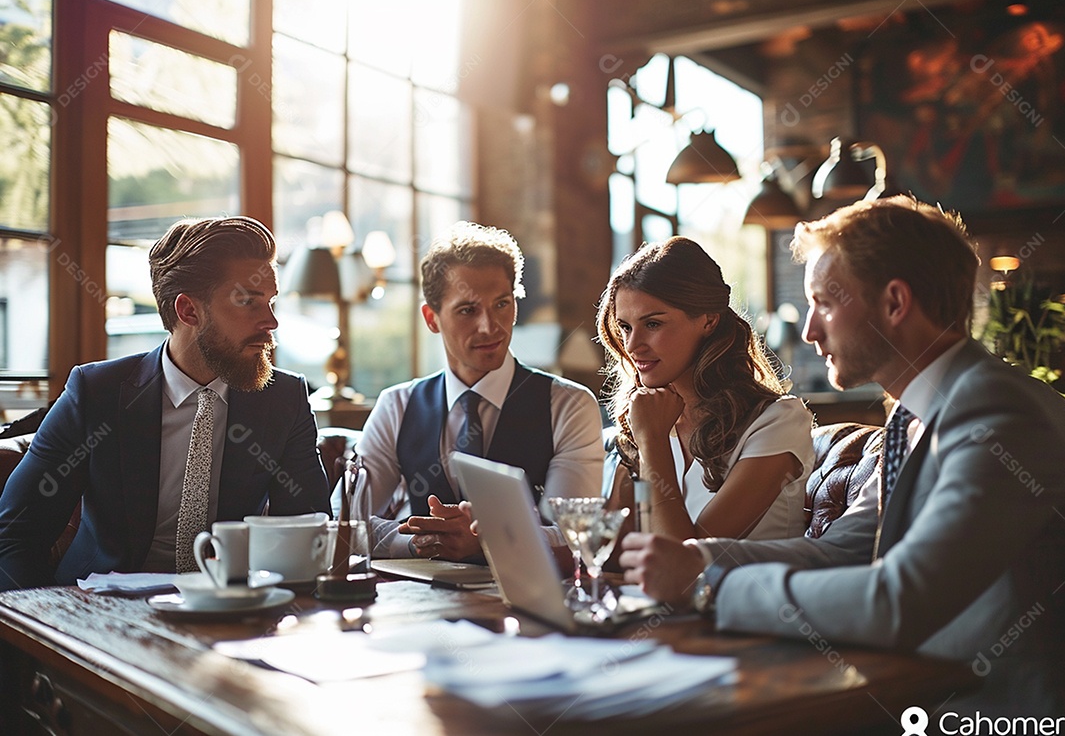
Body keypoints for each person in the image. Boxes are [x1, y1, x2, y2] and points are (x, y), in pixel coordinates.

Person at [620, 197, 1065, 720]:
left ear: (895, 303)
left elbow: (898, 602)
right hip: (923, 698)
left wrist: (708, 587)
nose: (811, 329)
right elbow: (839, 551)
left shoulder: (999, 415)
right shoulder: (915, 414)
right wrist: (700, 561)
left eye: (824, 302)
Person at [0, 217, 331, 591]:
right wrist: (50, 624)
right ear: (189, 311)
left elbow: (309, 531)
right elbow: (16, 535)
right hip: (103, 609)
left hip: (232, 609)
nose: (270, 321)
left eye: (270, 302)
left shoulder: (284, 398)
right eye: (248, 302)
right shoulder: (96, 392)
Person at [358, 221, 604, 561]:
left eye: (502, 304)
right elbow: (344, 524)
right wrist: (420, 541)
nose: (490, 326)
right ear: (431, 318)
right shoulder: (397, 406)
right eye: (468, 310)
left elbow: (576, 534)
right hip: (419, 600)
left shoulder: (568, 405)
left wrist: (490, 542)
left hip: (532, 603)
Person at [597, 236, 814, 541]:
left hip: (740, 590)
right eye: (625, 327)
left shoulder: (777, 422)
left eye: (653, 324)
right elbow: (611, 548)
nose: (633, 346)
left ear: (709, 320)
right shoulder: (649, 416)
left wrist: (652, 441)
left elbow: (683, 566)